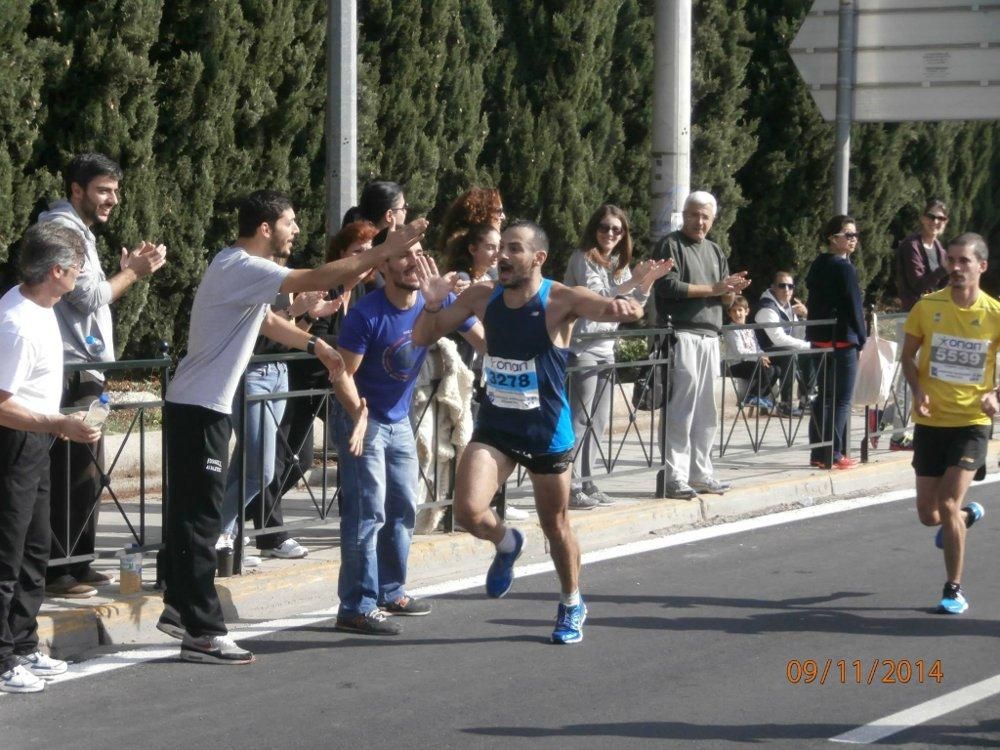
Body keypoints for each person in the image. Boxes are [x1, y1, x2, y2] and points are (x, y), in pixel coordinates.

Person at [155, 190, 425, 664]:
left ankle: (179, 607)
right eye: (290, 222)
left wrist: (312, 345)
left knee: (190, 517)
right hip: (199, 409)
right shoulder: (243, 265)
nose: (296, 230)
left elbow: (263, 320)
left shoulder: (233, 268)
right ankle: (202, 632)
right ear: (265, 228)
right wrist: (386, 248)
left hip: (196, 406)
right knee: (199, 521)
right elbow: (317, 276)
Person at [411, 220, 646, 644]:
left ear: (537, 258)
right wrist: (430, 304)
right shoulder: (482, 296)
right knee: (467, 511)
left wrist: (631, 304)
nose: (502, 256)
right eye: (501, 248)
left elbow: (607, 307)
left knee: (555, 525)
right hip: (497, 426)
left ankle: (572, 601)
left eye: (514, 249)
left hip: (544, 432)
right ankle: (506, 542)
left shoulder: (559, 300)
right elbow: (423, 335)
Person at [329, 237, 483, 636]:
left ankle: (390, 590)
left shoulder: (433, 302)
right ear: (382, 267)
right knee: (369, 512)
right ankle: (356, 606)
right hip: (362, 418)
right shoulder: (366, 315)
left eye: (417, 252)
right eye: (401, 255)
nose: (413, 261)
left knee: (402, 506)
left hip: (398, 420)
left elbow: (481, 336)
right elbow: (342, 375)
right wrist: (357, 416)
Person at [40, 153, 167, 599]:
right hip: (70, 369)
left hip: (84, 368)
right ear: (77, 190)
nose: (113, 198)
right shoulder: (65, 230)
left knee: (86, 469)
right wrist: (133, 272)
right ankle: (58, 570)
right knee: (71, 469)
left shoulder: (80, 232)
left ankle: (78, 560)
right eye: (102, 190)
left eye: (115, 190)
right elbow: (89, 296)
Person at [0, 223, 102, 693]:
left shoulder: (44, 309)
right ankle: (3, 659)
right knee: (8, 552)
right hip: (14, 445)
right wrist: (58, 424)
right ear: (57, 270)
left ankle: (22, 644)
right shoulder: (16, 321)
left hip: (37, 440)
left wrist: (60, 421)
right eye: (77, 267)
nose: (81, 276)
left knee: (36, 547)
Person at [901, 233, 999, 615]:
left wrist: (996, 395)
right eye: (951, 261)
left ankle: (953, 589)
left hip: (972, 422)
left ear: (981, 267)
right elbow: (908, 357)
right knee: (930, 514)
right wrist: (917, 388)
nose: (956, 268)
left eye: (964, 262)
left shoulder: (994, 313)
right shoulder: (928, 307)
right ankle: (967, 515)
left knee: (947, 501)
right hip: (931, 420)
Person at [563, 204, 672, 508]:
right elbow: (600, 299)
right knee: (579, 419)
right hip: (582, 346)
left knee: (598, 421)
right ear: (594, 229)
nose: (610, 233)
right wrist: (634, 279)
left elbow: (631, 305)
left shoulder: (616, 264)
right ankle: (568, 486)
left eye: (617, 229)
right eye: (604, 227)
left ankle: (588, 481)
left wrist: (648, 279)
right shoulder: (583, 258)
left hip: (606, 348)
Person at [651, 191, 751, 499]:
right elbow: (668, 286)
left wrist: (731, 291)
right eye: (694, 214)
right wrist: (715, 288)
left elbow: (724, 297)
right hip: (683, 334)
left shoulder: (715, 250)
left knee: (706, 410)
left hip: (710, 336)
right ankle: (675, 476)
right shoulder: (671, 244)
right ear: (684, 214)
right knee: (681, 407)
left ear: (713, 219)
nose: (700, 221)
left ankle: (701, 472)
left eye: (706, 216)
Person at [884, 199, 951, 450]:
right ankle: (899, 436)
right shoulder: (911, 245)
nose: (935, 222)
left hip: (933, 318)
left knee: (924, 375)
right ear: (922, 218)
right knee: (909, 376)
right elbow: (918, 284)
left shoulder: (938, 247)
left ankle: (883, 418)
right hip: (912, 317)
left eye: (941, 219)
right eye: (932, 217)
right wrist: (943, 270)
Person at [805, 215, 866, 470]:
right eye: (847, 235)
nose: (853, 240)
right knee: (841, 399)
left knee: (823, 397)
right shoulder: (844, 267)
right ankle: (834, 451)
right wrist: (862, 337)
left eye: (855, 235)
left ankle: (818, 452)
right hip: (842, 339)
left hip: (819, 338)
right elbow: (854, 306)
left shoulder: (818, 264)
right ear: (833, 238)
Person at [753, 271, 812, 415]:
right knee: (790, 354)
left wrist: (806, 314)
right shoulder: (767, 308)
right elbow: (777, 338)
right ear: (773, 287)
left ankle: (806, 398)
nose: (787, 290)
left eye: (790, 286)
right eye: (782, 285)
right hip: (763, 351)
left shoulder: (787, 307)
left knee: (811, 354)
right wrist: (807, 345)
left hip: (779, 349)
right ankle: (785, 403)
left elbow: (798, 334)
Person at [723, 295, 778, 410]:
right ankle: (751, 397)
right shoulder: (730, 329)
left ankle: (760, 396)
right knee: (768, 370)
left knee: (777, 370)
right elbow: (740, 352)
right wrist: (758, 358)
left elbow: (756, 347)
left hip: (751, 361)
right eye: (734, 311)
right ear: (729, 313)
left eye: (740, 310)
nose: (737, 314)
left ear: (746, 311)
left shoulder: (750, 329)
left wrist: (762, 355)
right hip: (736, 364)